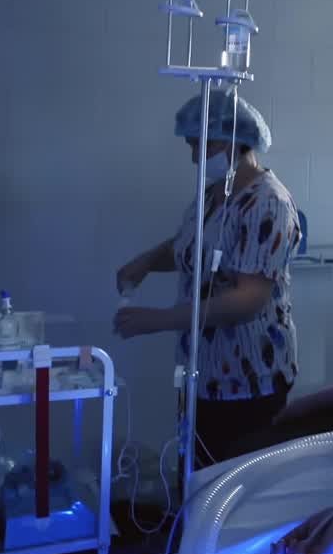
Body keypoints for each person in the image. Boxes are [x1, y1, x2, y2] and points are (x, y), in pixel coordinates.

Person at [114, 88, 301, 466]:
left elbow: (248, 299)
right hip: (206, 376)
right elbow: (193, 247)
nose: (197, 156)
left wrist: (159, 320)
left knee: (230, 498)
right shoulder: (216, 194)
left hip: (250, 383)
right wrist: (147, 262)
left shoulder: (268, 202)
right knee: (196, 479)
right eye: (191, 145)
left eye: (205, 144)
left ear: (238, 139)